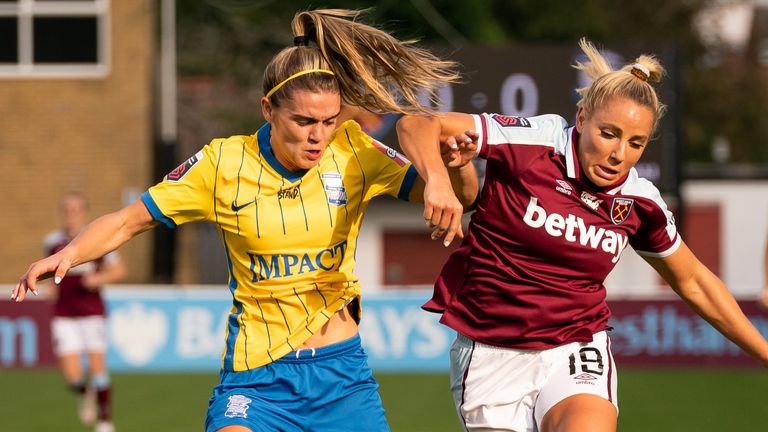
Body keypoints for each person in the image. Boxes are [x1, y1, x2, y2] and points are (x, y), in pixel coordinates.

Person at [13, 9, 477, 432]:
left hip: (342, 379)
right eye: (303, 121)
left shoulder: (354, 149)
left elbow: (463, 197)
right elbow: (127, 221)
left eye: (329, 121)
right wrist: (70, 252)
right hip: (257, 380)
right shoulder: (222, 163)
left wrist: (447, 170)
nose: (318, 136)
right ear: (267, 110)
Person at [397, 38, 768, 432]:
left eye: (636, 143)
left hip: (576, 348)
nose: (619, 154)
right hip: (491, 353)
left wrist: (764, 353)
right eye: (609, 133)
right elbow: (416, 123)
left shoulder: (640, 201)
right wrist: (437, 181)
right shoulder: (533, 142)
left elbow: (694, 281)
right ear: (582, 116)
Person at [45, 192, 126, 432]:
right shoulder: (53, 242)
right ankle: (85, 391)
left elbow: (119, 270)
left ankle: (104, 421)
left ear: (84, 211)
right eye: (67, 209)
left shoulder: (99, 239)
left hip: (92, 312)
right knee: (72, 377)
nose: (71, 213)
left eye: (76, 209)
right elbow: (50, 271)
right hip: (64, 314)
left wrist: (98, 278)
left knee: (97, 367)